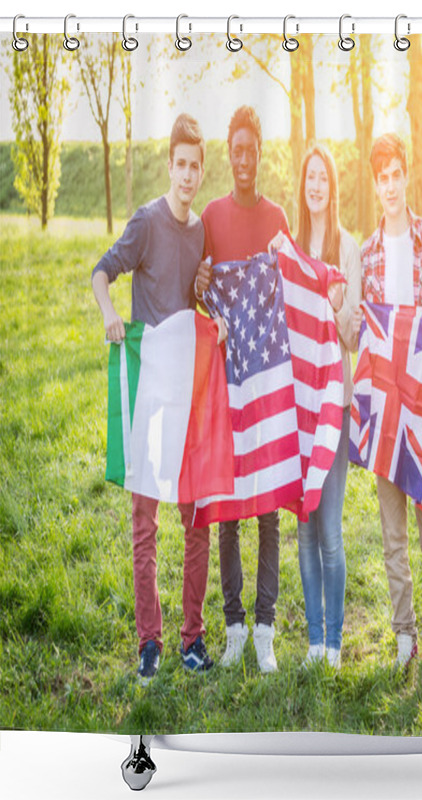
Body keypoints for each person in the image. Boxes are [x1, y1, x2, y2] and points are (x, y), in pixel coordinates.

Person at [91, 113, 225, 684]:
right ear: (169, 164)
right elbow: (102, 272)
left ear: (201, 170)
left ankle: (192, 639)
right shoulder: (147, 222)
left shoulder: (200, 231)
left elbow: (197, 295)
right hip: (149, 391)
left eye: (197, 166)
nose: (189, 175)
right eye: (181, 164)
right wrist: (110, 313)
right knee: (144, 521)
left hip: (189, 393)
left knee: (197, 519)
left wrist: (207, 309)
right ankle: (150, 640)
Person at [353, 133, 422, 677]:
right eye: (382, 178)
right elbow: (361, 336)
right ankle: (404, 635)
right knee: (393, 535)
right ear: (374, 185)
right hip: (383, 413)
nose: (390, 186)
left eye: (396, 175)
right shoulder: (366, 254)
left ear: (407, 176)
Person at [195, 105, 290, 674]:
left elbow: (295, 287)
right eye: (236, 149)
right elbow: (196, 290)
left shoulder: (278, 218)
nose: (244, 159)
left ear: (260, 153)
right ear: (228, 154)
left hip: (270, 382)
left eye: (252, 149)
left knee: (270, 510)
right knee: (229, 509)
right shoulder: (210, 216)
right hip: (226, 384)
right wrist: (200, 281)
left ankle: (265, 629)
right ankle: (231, 628)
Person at [271, 144, 359, 670]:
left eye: (324, 177)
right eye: (310, 177)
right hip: (296, 406)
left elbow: (352, 333)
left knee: (329, 527)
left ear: (334, 186)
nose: (317, 185)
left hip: (335, 402)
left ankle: (335, 642)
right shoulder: (293, 247)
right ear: (303, 187)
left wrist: (335, 305)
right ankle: (311, 643)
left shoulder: (346, 249)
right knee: (303, 526)